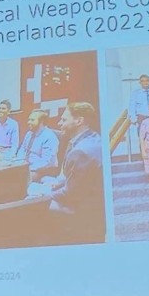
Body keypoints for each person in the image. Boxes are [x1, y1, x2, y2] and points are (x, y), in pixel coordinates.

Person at [46, 101, 104, 241]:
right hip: (89, 202)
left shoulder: (81, 151)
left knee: (35, 209)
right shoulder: (92, 137)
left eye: (64, 120)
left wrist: (44, 196)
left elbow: (70, 194)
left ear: (79, 121)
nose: (59, 123)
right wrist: (56, 184)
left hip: (84, 213)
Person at [18, 109, 60, 179]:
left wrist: (27, 168)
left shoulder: (49, 137)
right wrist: (18, 164)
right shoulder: (29, 134)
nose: (28, 122)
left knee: (18, 179)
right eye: (29, 120)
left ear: (41, 122)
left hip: (43, 170)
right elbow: (22, 150)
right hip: (27, 166)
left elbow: (47, 162)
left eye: (32, 120)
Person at [125, 75, 149, 161]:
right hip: (141, 118)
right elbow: (132, 106)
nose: (145, 82)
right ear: (140, 83)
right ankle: (144, 158)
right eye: (143, 81)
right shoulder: (135, 93)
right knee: (143, 138)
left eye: (147, 80)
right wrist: (133, 118)